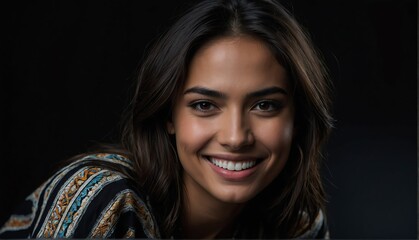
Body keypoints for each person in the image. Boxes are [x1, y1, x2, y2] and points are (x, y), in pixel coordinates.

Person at [0, 0, 334, 238]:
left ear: (298, 118)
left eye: (264, 106)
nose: (235, 137)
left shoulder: (297, 225)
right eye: (204, 105)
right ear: (168, 115)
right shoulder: (101, 200)